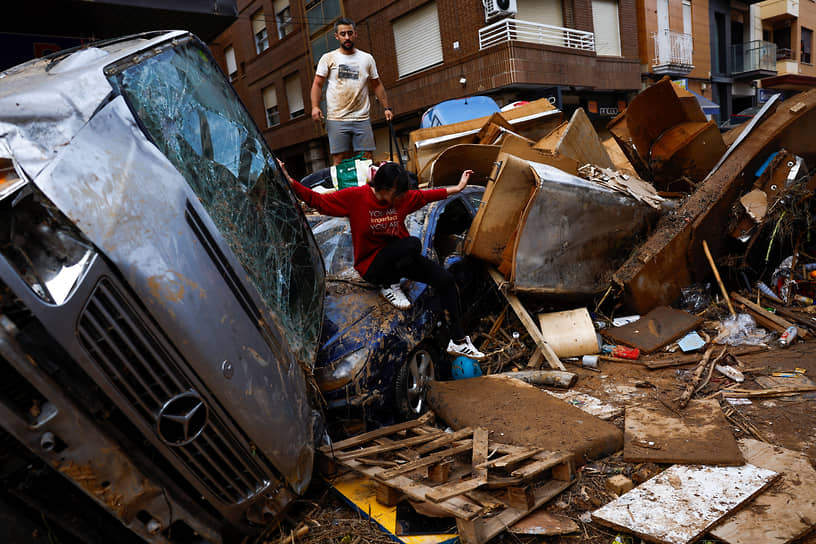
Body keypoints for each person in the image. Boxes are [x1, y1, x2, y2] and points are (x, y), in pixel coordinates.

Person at [280, 160, 486, 361]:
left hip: (398, 260)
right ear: (385, 189)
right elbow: (319, 202)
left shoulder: (402, 199)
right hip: (372, 266)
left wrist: (458, 187)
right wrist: (291, 182)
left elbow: (426, 195)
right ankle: (388, 285)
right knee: (412, 244)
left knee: (445, 280)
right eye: (399, 194)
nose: (403, 198)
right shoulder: (356, 198)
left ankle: (458, 341)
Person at [310, 17, 393, 166]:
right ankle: (342, 189)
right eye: (343, 34)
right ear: (337, 36)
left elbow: (377, 84)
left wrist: (386, 108)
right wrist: (315, 106)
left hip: (361, 117)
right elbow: (317, 83)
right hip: (337, 117)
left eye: (350, 33)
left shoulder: (366, 58)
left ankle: (366, 189)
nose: (347, 37)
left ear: (356, 34)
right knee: (339, 158)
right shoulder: (328, 58)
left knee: (366, 158)